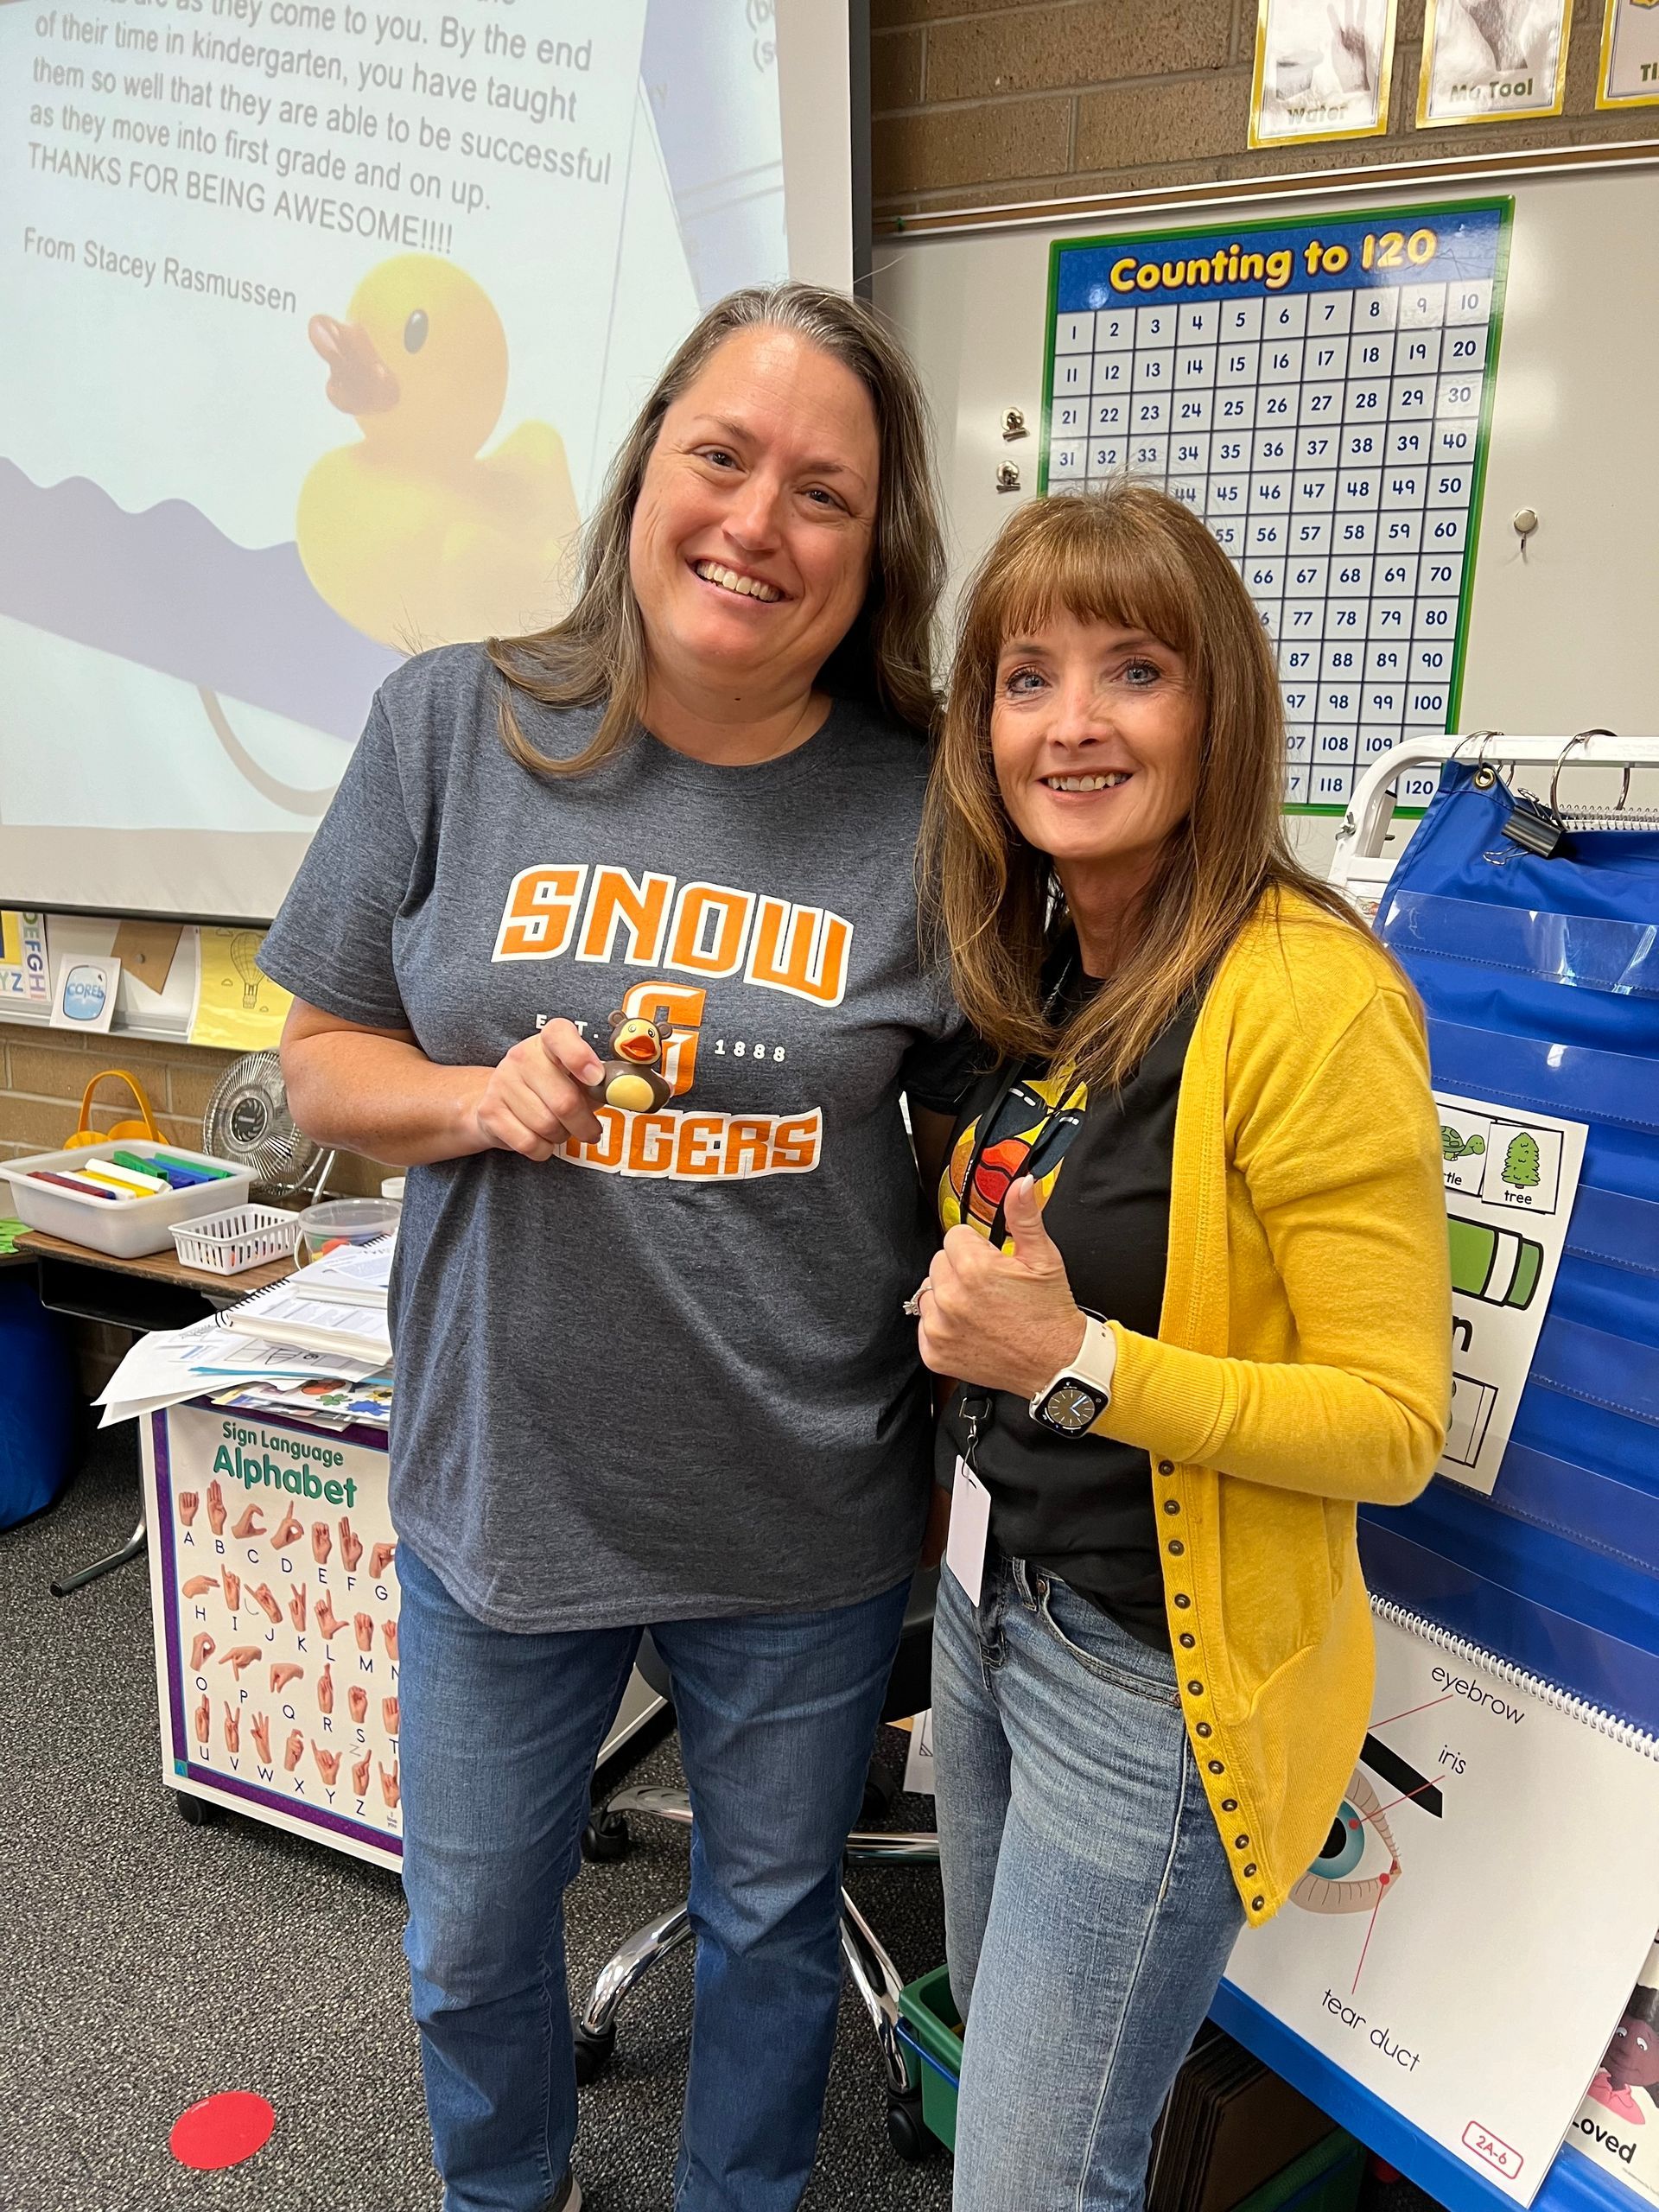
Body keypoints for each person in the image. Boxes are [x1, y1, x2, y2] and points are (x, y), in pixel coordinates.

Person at [258, 283, 973, 2212]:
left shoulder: (927, 807)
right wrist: (475, 1098)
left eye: (823, 491)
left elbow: (984, 1143)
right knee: (474, 1941)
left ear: (877, 542)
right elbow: (319, 1065)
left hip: (805, 1493)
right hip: (514, 1481)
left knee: (765, 1928)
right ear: (646, 466)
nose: (758, 521)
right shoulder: (453, 724)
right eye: (722, 457)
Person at [912, 481, 1452, 2212]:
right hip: (993, 1606)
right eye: (1024, 675)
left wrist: (1079, 1358)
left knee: (1029, 2179)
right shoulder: (1049, 955)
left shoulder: (1306, 991)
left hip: (1147, 1679)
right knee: (997, 2080)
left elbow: (1391, 1424)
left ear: (1214, 709)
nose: (1070, 721)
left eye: (1132, 669)